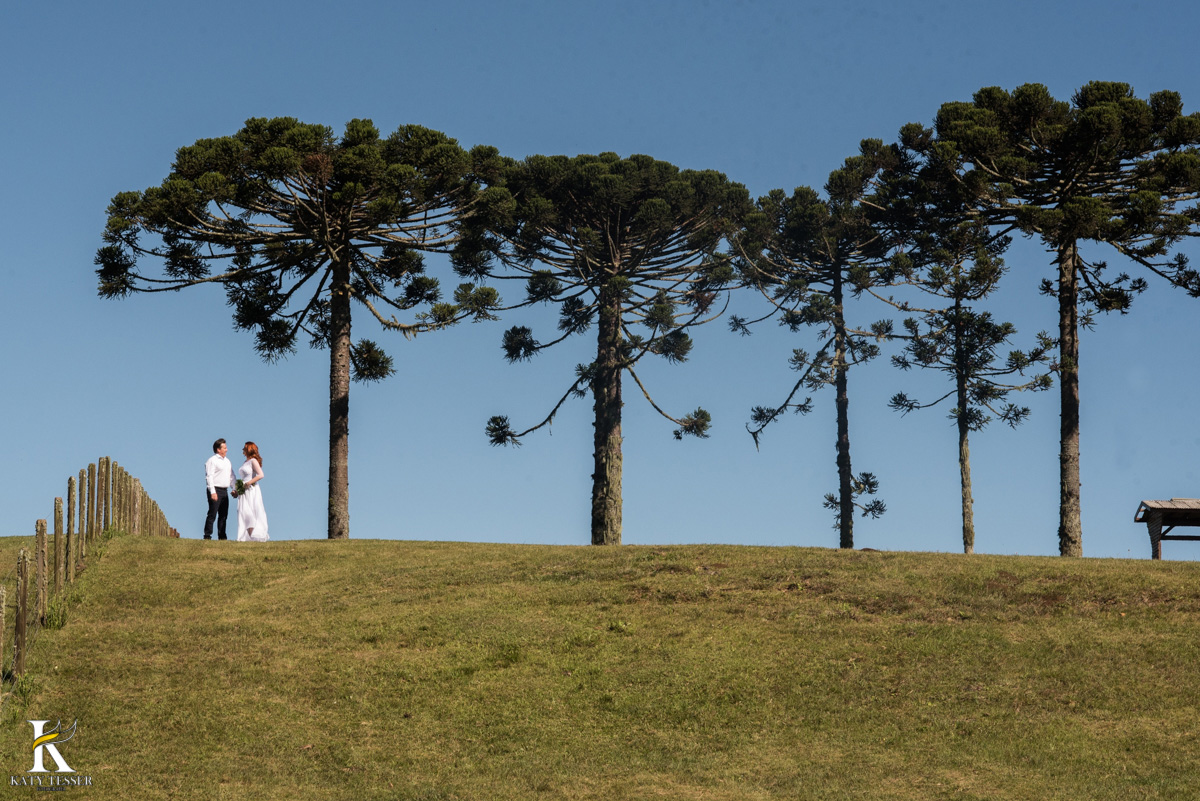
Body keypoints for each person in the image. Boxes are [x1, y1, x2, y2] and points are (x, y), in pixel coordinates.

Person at [234, 441, 269, 542]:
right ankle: (250, 537)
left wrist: (248, 483)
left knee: (250, 512)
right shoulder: (245, 462)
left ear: (249, 449)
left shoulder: (253, 461)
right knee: (243, 512)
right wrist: (237, 489)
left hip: (251, 490)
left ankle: (254, 536)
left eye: (244, 448)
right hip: (244, 491)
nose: (242, 450)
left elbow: (261, 475)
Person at [203, 439, 232, 540]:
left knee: (224, 515)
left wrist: (235, 488)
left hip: (225, 490)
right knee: (212, 513)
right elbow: (209, 476)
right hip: (215, 489)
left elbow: (231, 476)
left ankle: (222, 536)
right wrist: (213, 492)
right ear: (218, 449)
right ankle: (207, 535)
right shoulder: (212, 460)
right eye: (224, 448)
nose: (227, 450)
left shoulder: (227, 461)